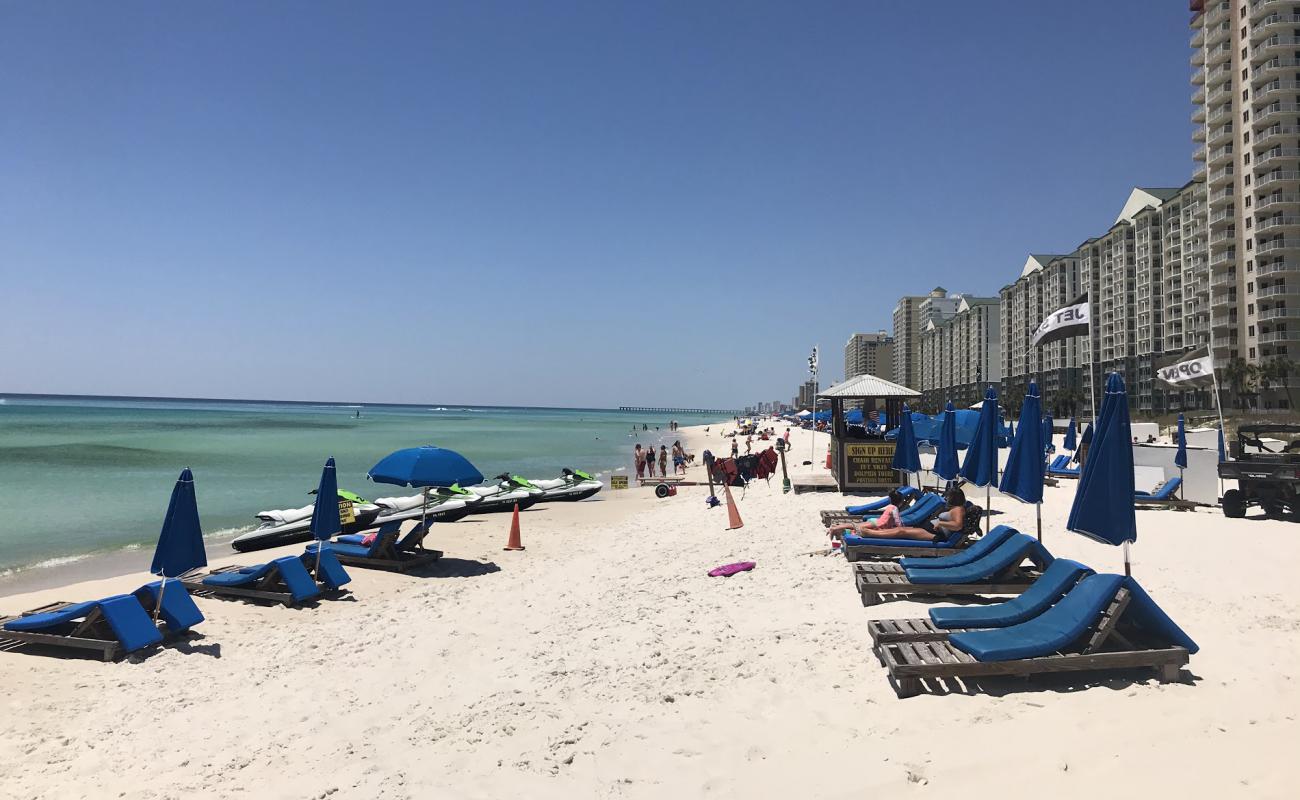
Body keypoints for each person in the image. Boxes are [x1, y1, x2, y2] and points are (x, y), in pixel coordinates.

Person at [880, 488, 968, 542]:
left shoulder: (959, 509)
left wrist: (941, 523)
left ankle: (870, 534)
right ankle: (872, 533)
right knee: (899, 529)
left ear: (954, 498)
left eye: (949, 496)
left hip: (935, 535)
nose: (946, 498)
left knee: (901, 532)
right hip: (929, 529)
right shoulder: (954, 508)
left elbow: (958, 525)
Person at [827, 490, 905, 541]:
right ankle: (835, 528)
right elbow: (897, 521)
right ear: (900, 502)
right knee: (856, 527)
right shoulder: (895, 509)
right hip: (878, 525)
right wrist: (902, 529)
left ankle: (837, 529)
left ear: (890, 500)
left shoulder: (890, 506)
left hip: (876, 521)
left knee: (855, 527)